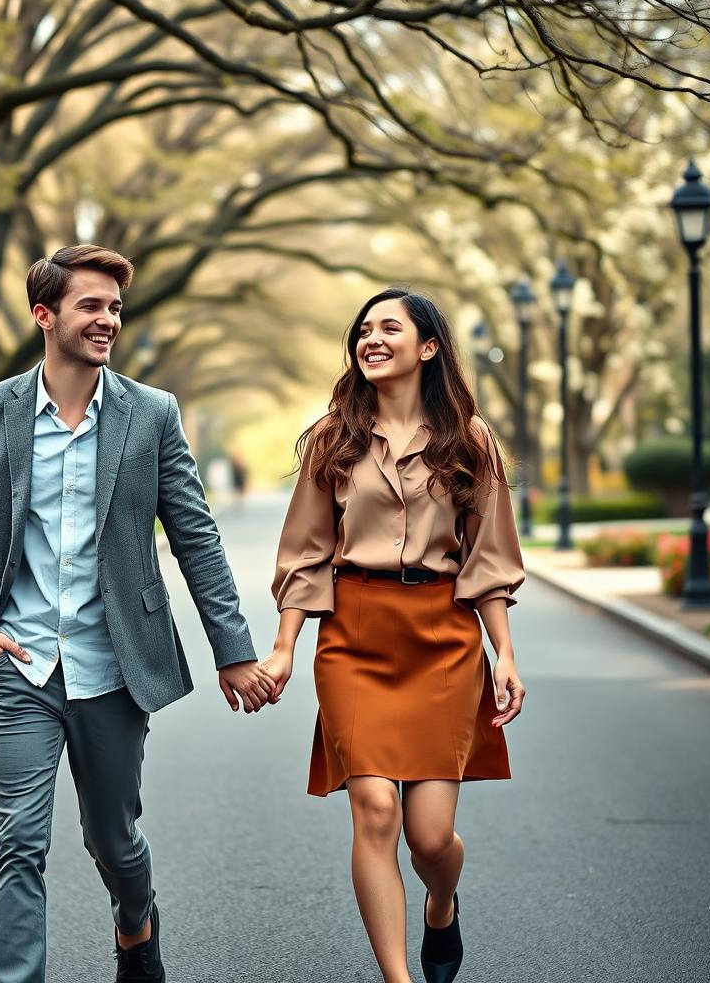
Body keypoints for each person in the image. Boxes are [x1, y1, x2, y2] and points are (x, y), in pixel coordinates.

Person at [0, 244, 274, 983]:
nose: (108, 320)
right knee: (19, 841)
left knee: (113, 840)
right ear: (44, 314)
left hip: (115, 665)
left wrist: (234, 649)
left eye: (115, 308)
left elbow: (196, 537)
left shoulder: (149, 415)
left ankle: (136, 921)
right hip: (21, 664)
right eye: (92, 305)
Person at [262, 287, 526, 983]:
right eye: (362, 330)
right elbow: (305, 553)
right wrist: (286, 647)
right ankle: (398, 978)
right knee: (374, 809)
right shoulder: (335, 438)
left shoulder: (470, 439)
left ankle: (442, 901)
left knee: (430, 837)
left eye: (388, 328)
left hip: (444, 640)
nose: (370, 339)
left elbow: (488, 560)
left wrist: (505, 656)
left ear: (428, 346)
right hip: (354, 635)